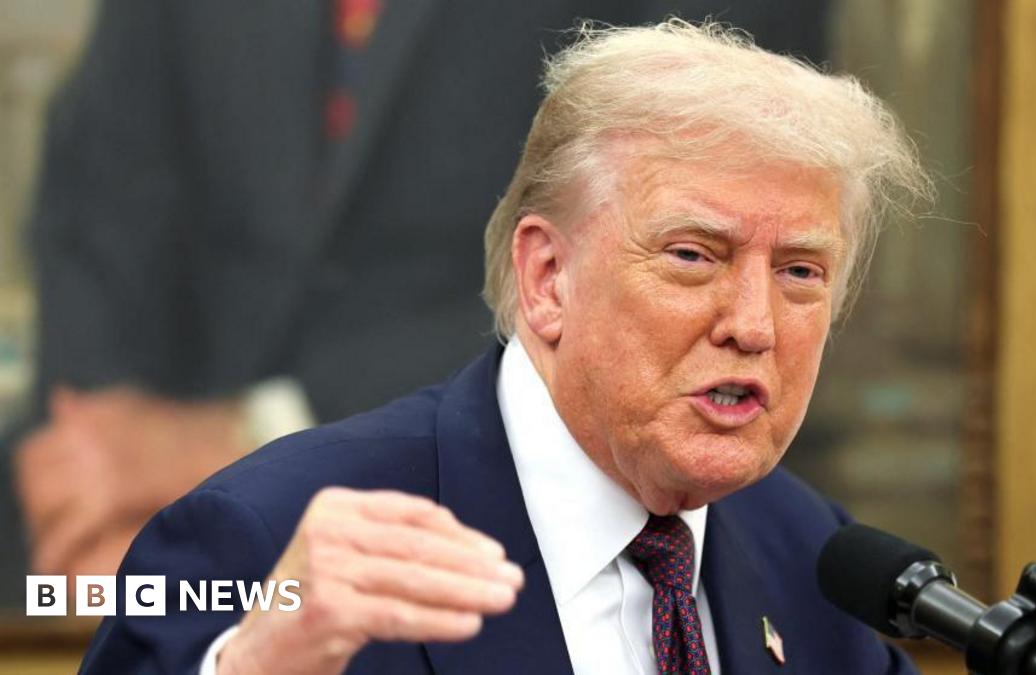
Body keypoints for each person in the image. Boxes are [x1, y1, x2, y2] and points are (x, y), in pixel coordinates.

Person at [79, 19, 927, 675]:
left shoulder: (814, 557)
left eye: (801, 271)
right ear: (549, 276)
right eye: (693, 256)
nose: (755, 322)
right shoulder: (265, 531)